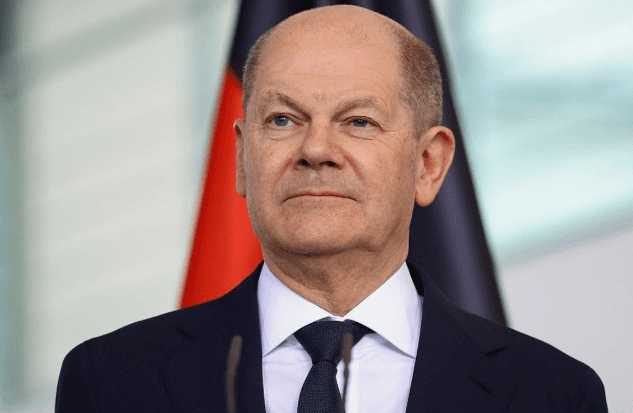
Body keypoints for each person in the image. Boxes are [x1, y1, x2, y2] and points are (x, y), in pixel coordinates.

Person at [55, 5, 607, 412]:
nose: (316, 149)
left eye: (358, 121)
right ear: (242, 159)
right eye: (283, 120)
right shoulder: (110, 382)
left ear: (428, 164)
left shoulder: (553, 393)